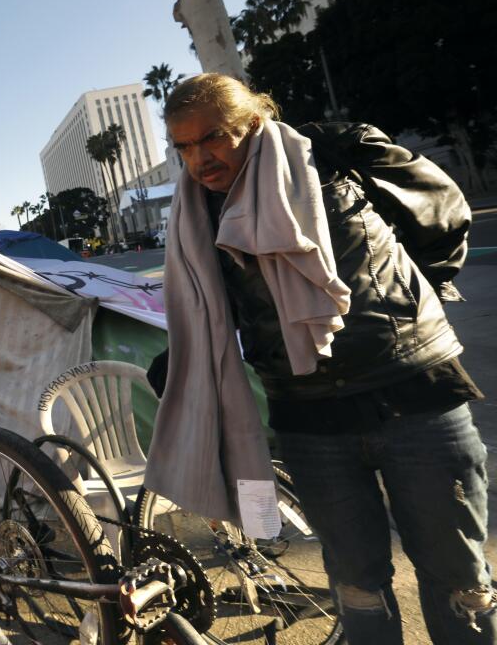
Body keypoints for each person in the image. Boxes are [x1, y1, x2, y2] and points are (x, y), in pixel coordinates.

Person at [152, 73, 494, 644]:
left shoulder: (336, 152)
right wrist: (183, 362)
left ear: (252, 124)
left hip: (416, 393)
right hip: (310, 422)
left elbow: (442, 211)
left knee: (461, 584)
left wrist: (410, 301)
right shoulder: (198, 214)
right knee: (357, 590)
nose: (198, 159)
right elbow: (213, 310)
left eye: (210, 138)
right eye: (183, 147)